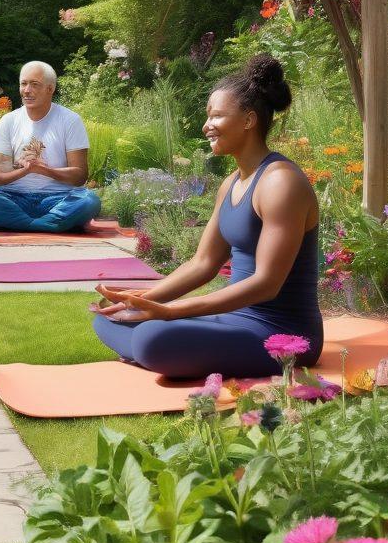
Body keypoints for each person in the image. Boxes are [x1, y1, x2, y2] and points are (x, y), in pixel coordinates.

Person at [91, 54, 323, 379]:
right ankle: (160, 344)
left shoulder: (280, 182)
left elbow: (266, 285)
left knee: (152, 337)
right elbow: (202, 264)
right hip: (233, 319)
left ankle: (157, 348)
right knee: (108, 318)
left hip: (282, 333)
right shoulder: (230, 183)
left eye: (216, 116)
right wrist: (139, 300)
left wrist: (170, 313)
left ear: (248, 120)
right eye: (208, 116)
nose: (206, 126)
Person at [0, 61, 102, 233]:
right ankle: (49, 225)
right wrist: (26, 170)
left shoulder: (70, 120)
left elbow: (79, 176)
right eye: (23, 84)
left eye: (34, 84)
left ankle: (17, 223)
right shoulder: (9, 121)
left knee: (90, 201)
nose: (27, 90)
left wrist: (43, 170)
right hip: (15, 197)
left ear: (50, 89)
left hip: (58, 199)